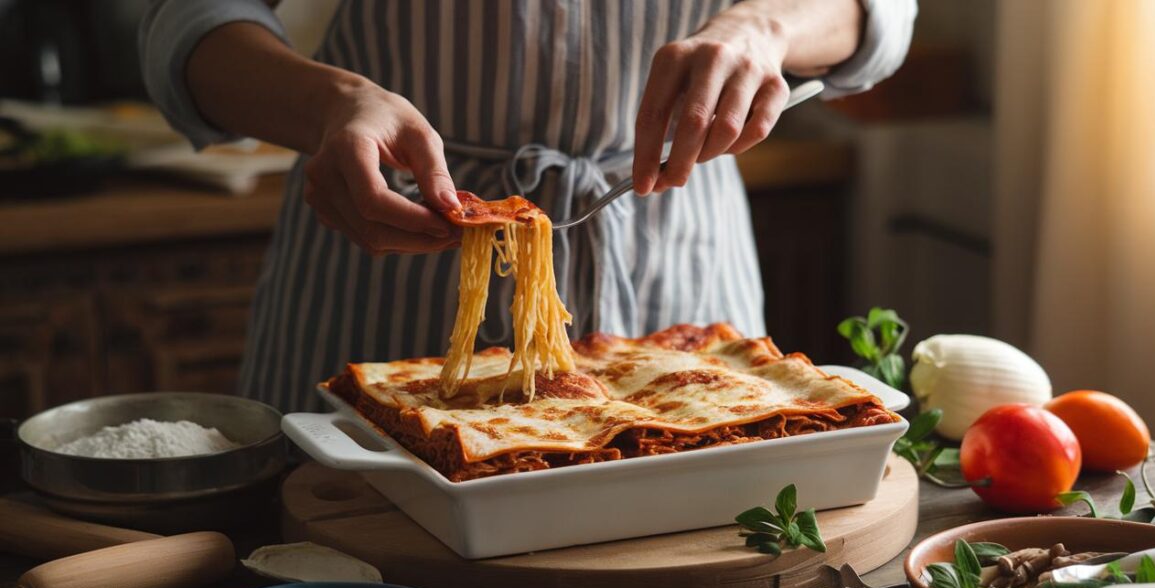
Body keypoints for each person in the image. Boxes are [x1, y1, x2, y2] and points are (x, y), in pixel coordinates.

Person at [141, 0, 916, 412]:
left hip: (671, 254)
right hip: (383, 263)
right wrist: (327, 104)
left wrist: (767, 26)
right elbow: (184, 23)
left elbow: (882, 12)